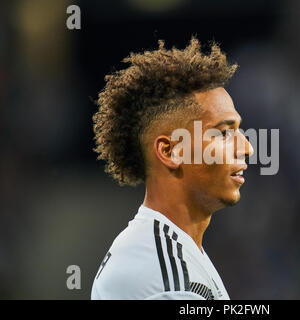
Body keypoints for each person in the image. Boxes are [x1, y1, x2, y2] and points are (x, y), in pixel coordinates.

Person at [91, 36, 253, 299]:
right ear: (171, 151)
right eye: (224, 133)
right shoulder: (167, 277)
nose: (247, 147)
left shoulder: (172, 252)